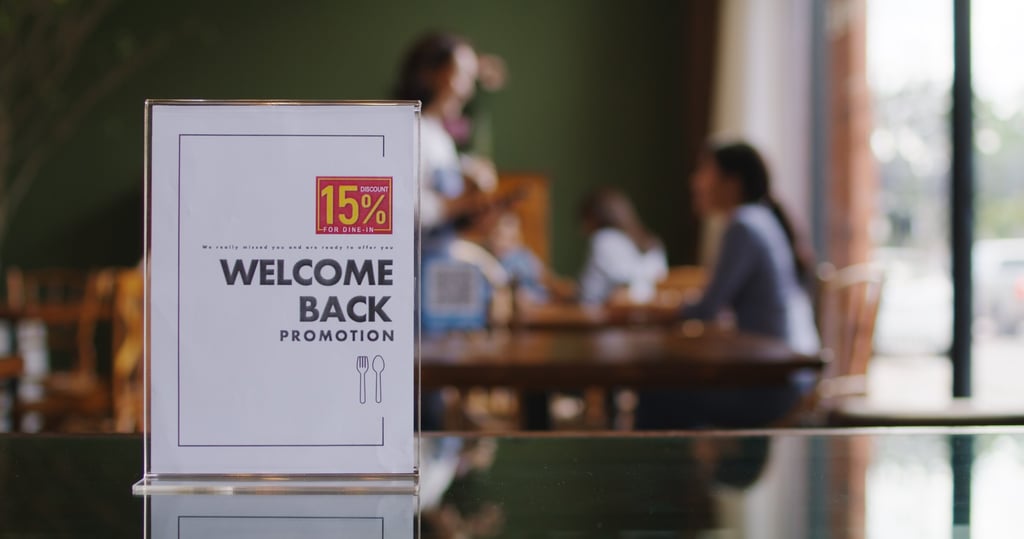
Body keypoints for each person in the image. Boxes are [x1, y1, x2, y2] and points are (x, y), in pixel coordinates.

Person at [635, 141, 819, 429]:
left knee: (657, 396)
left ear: (731, 183)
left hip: (775, 382)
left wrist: (650, 312)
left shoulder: (743, 226)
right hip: (784, 372)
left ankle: (673, 475)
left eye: (704, 171)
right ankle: (714, 472)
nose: (694, 181)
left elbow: (707, 308)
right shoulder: (761, 219)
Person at [577, 188, 667, 305]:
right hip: (648, 313)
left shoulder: (605, 239)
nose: (582, 229)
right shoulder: (649, 241)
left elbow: (625, 284)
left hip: (604, 315)